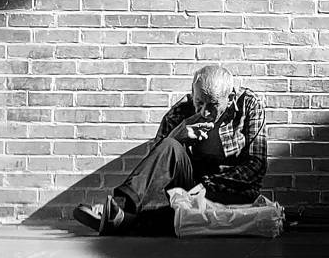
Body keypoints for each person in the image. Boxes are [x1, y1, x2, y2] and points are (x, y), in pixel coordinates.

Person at [74, 64, 266, 235]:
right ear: (193, 92)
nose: (204, 112)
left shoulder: (249, 104)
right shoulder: (180, 111)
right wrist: (177, 135)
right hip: (189, 189)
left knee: (177, 210)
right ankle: (119, 206)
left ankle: (123, 221)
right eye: (199, 102)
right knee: (169, 145)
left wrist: (205, 186)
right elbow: (157, 165)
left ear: (230, 97)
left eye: (213, 105)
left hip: (232, 193)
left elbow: (256, 165)